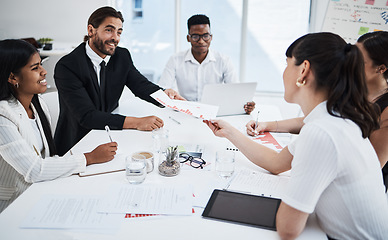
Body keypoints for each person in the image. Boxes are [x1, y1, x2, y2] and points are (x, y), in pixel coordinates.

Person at [204, 32, 388, 239]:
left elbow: (288, 229)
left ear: (303, 70)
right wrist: (229, 131)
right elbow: (275, 162)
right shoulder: (335, 119)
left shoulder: (322, 132)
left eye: (287, 63)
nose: (283, 72)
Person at [246, 31, 388, 189]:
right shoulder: (353, 93)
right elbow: (317, 118)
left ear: (381, 69)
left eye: (359, 60)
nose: (350, 62)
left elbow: (371, 167)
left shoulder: (383, 109)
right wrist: (269, 125)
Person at [0, 39, 117, 213]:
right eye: (35, 68)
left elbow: (46, 158)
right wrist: (89, 157)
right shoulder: (3, 116)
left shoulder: (37, 104)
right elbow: (34, 170)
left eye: (41, 65)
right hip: (14, 204)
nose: (44, 71)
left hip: (39, 191)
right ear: (12, 77)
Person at [54, 6, 184, 156]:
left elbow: (140, 85)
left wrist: (165, 96)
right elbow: (87, 116)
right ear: (91, 30)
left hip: (110, 134)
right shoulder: (67, 66)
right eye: (109, 30)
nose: (115, 38)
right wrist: (137, 122)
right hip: (77, 142)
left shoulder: (121, 56)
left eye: (119, 32)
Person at [158, 14, 255, 114]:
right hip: (185, 112)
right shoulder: (175, 60)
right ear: (188, 38)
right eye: (195, 36)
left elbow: (236, 91)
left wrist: (246, 105)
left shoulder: (223, 60)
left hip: (215, 113)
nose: (201, 41)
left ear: (211, 37)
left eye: (205, 36)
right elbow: (163, 89)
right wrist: (169, 95)